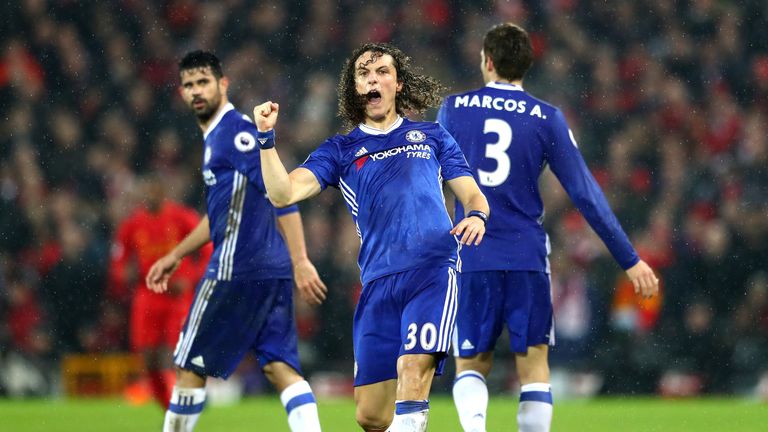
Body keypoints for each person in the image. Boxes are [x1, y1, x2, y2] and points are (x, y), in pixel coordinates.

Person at [253, 43, 490, 432]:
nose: (373, 79)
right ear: (355, 88)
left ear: (398, 84)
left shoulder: (431, 136)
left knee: (412, 368)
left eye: (382, 71)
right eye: (364, 73)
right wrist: (266, 139)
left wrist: (478, 214)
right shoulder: (341, 150)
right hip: (378, 282)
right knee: (371, 415)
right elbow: (283, 193)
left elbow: (472, 193)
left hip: (433, 269)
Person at [436, 23, 660, 432]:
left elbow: (431, 182)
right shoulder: (546, 117)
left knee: (471, 361)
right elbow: (585, 194)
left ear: (487, 61)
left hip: (472, 250)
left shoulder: (454, 108)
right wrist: (630, 259)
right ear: (527, 64)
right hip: (527, 255)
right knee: (533, 363)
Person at [146, 50, 327, 432]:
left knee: (190, 365)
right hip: (269, 271)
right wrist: (177, 254)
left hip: (236, 267)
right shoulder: (218, 137)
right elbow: (220, 216)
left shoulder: (234, 134)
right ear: (181, 92)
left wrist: (301, 260)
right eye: (189, 84)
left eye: (203, 82)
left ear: (222, 84)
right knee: (281, 368)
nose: (196, 91)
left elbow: (282, 195)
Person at [109, 173, 211, 409]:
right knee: (148, 359)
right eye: (147, 192)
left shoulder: (182, 217)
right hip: (147, 295)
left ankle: (185, 399)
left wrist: (190, 277)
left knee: (174, 352)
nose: (150, 196)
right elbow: (118, 259)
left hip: (177, 297)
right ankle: (169, 406)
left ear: (164, 193)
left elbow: (207, 250)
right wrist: (122, 274)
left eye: (155, 191)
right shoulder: (132, 224)